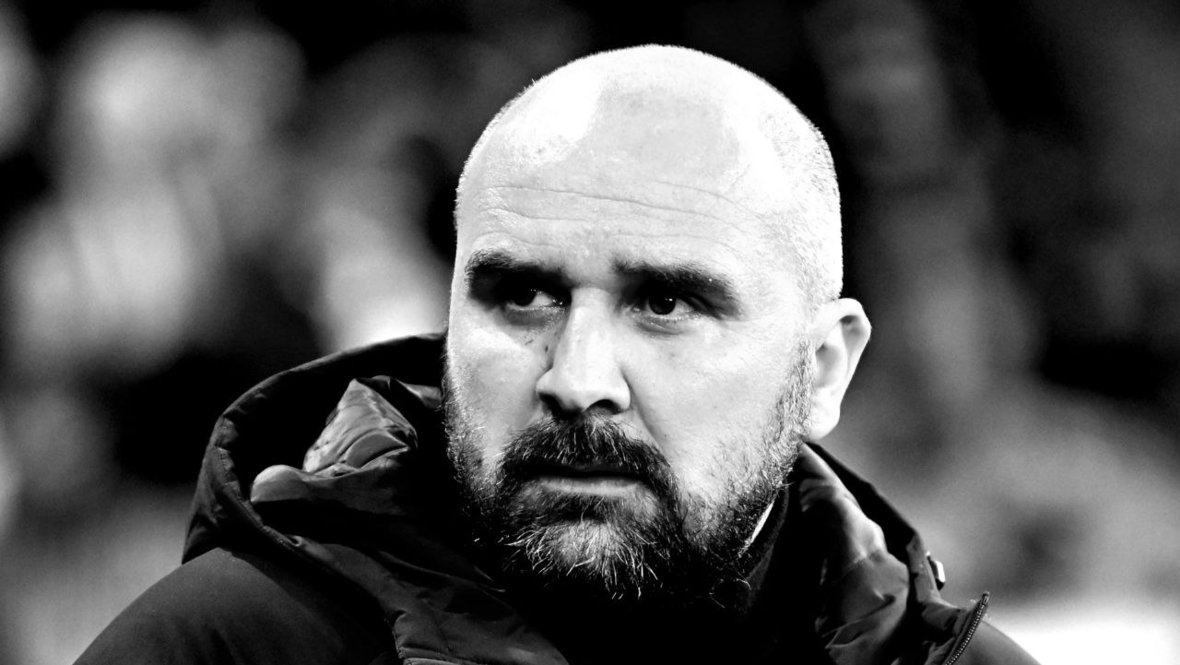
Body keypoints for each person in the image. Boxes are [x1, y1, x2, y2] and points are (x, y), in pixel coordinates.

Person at [76, 45, 1038, 665]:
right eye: (524, 296)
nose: (577, 379)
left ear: (821, 367)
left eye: (664, 303)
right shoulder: (223, 646)